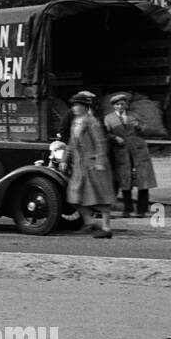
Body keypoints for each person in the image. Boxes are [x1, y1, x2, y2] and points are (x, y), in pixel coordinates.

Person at [64, 90, 115, 238]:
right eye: (73, 105)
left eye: (78, 105)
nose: (74, 108)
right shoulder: (75, 122)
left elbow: (100, 142)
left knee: (100, 196)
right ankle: (89, 222)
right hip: (80, 165)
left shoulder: (92, 121)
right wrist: (65, 159)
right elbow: (72, 143)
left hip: (93, 164)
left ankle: (106, 229)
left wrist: (99, 161)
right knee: (74, 196)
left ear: (85, 107)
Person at [105, 92, 158, 217]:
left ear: (126, 105)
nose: (120, 106)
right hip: (122, 151)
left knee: (143, 179)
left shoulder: (134, 116)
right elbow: (106, 133)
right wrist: (115, 138)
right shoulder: (109, 118)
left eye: (123, 104)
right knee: (125, 180)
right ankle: (127, 209)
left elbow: (147, 129)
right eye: (118, 104)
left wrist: (139, 126)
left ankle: (142, 209)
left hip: (138, 150)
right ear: (114, 106)